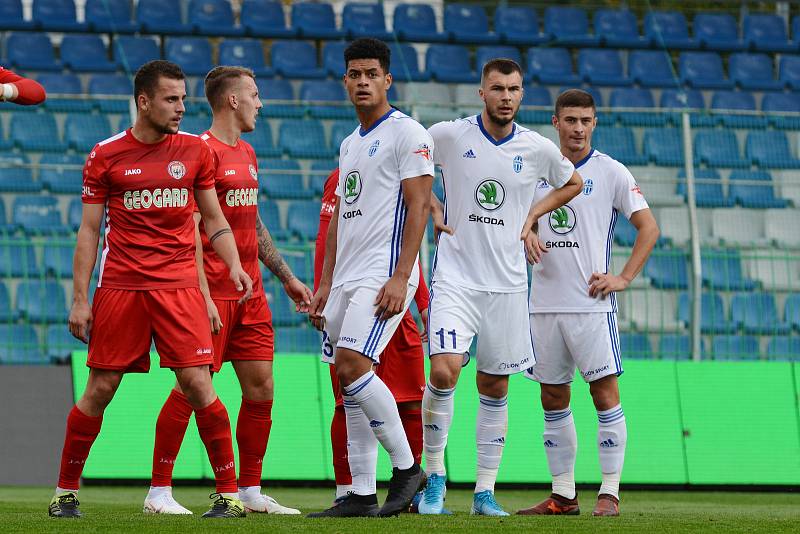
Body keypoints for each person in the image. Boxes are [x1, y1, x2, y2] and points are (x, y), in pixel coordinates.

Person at [49, 60, 253, 519]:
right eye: (171, 99)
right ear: (144, 101)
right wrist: (80, 299)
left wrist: (234, 264)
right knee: (100, 387)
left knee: (199, 384)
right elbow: (88, 232)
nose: (182, 108)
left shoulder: (197, 154)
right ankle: (64, 493)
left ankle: (229, 495)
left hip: (180, 286)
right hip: (122, 286)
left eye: (183, 98)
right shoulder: (105, 155)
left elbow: (215, 218)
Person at [144, 66, 312, 516]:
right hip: (210, 295)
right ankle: (159, 490)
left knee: (261, 388)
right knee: (190, 388)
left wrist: (287, 277)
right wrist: (199, 295)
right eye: (254, 94)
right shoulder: (198, 151)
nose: (261, 102)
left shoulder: (249, 153)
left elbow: (251, 222)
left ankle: (252, 490)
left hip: (250, 293)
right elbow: (192, 228)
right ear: (232, 100)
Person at [419, 59, 583, 516]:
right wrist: (432, 204)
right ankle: (433, 478)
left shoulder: (536, 147)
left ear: (522, 94)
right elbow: (406, 163)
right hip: (456, 277)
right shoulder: (450, 135)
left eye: (513, 89)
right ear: (481, 92)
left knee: (494, 386)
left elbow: (573, 182)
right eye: (497, 88)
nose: (506, 96)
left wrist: (534, 214)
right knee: (445, 370)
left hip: (509, 285)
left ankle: (483, 493)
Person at [517, 89, 659, 517]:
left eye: (586, 121)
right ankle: (563, 495)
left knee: (604, 394)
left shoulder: (611, 172)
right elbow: (515, 220)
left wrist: (623, 278)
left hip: (591, 306)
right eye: (570, 120)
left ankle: (609, 492)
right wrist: (527, 232)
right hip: (542, 306)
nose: (578, 128)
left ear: (594, 124)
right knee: (553, 398)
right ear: (555, 122)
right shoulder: (537, 171)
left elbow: (648, 228)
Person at [308, 38, 433, 518]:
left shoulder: (408, 133)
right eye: (354, 74)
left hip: (383, 274)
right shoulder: (349, 142)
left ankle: (406, 470)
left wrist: (403, 276)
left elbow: (420, 205)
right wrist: (324, 284)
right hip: (345, 278)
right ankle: (360, 493)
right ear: (345, 81)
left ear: (387, 80)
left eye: (371, 74)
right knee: (347, 381)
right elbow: (340, 216)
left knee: (354, 364)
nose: (362, 81)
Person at [314, 167, 430, 505]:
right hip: (351, 295)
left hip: (394, 295)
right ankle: (350, 490)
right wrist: (326, 290)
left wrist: (422, 302)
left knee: (409, 397)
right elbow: (328, 235)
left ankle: (408, 491)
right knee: (347, 389)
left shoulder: (403, 168)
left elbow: (411, 239)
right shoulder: (345, 169)